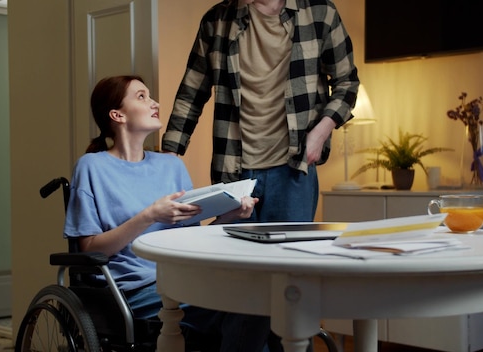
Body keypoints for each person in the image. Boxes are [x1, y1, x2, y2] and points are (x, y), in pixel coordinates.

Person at [64, 75, 270, 351]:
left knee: (262, 297)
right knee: (246, 305)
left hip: (186, 278)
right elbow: (87, 247)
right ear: (117, 114)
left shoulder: (171, 165)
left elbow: (190, 238)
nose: (155, 103)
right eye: (141, 96)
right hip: (133, 290)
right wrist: (150, 215)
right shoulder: (92, 167)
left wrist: (229, 215)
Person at [162, 0, 360, 224]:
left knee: (289, 256)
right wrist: (170, 154)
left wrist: (320, 133)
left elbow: (347, 82)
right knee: (236, 255)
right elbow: (191, 92)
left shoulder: (320, 12)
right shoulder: (216, 20)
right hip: (234, 171)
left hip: (293, 168)